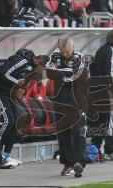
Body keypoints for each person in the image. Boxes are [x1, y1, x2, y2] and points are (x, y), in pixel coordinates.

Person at [0, 49, 44, 167]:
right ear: (37, 61)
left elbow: (20, 85)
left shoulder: (30, 69)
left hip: (8, 94)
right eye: (42, 68)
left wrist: (21, 91)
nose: (41, 72)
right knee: (8, 120)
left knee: (15, 122)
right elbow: (3, 74)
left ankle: (6, 155)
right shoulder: (22, 60)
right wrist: (16, 82)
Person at [46, 36, 86, 178]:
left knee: (77, 132)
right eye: (63, 52)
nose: (65, 54)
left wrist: (60, 73)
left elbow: (76, 75)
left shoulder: (80, 57)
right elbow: (49, 72)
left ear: (72, 47)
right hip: (59, 99)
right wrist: (65, 71)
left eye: (67, 52)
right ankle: (68, 163)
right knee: (63, 132)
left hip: (77, 99)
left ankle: (79, 162)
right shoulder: (54, 56)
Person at [89, 29, 113, 160]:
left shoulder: (100, 50)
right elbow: (110, 73)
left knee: (100, 122)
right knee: (110, 122)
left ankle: (95, 147)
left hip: (97, 91)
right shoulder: (112, 51)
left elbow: (92, 69)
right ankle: (110, 150)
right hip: (107, 92)